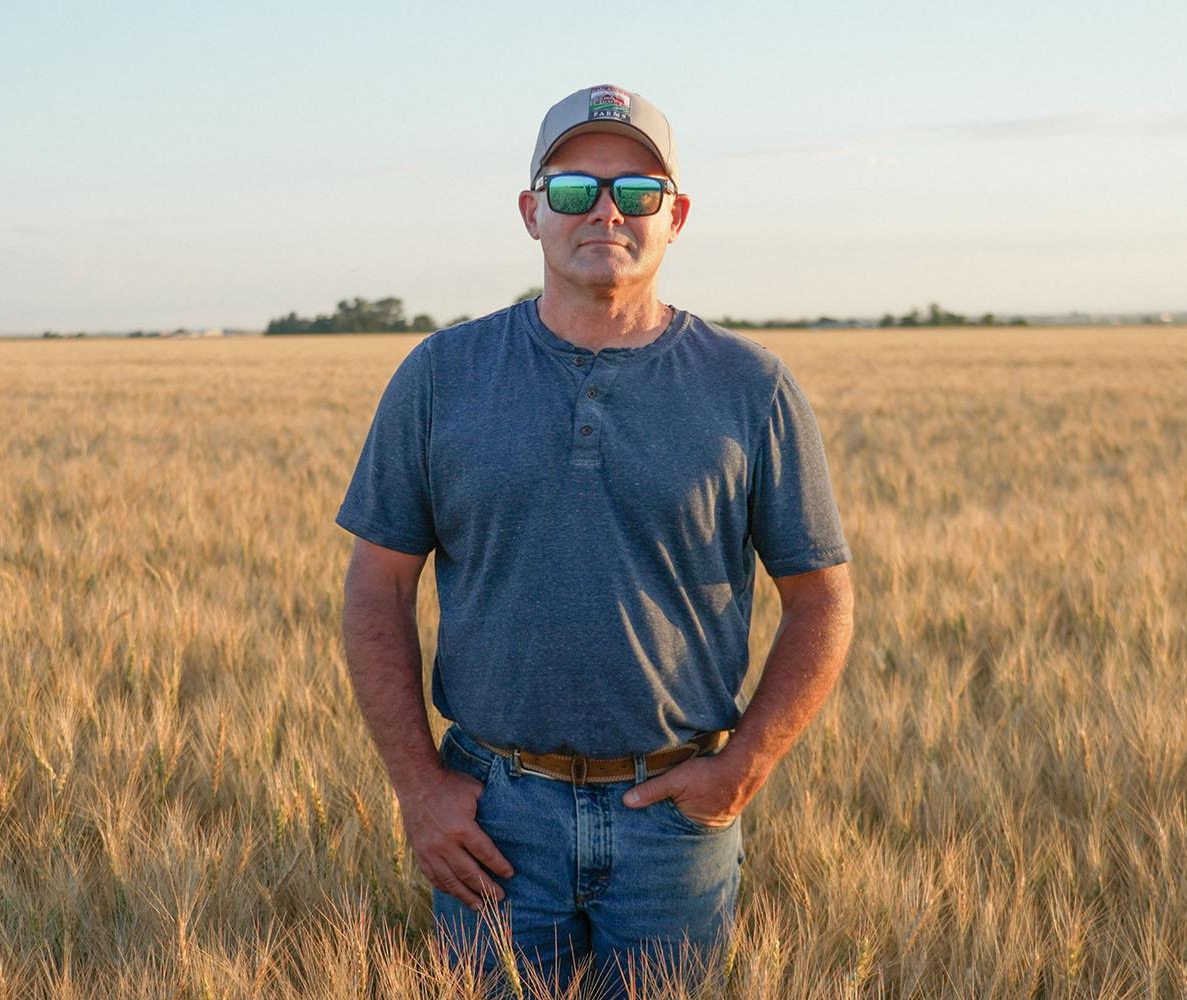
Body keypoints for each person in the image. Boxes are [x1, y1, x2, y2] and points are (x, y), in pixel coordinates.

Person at [336, 83, 854, 998]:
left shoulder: (750, 387)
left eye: (638, 193)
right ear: (532, 211)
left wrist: (742, 770)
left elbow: (822, 596)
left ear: (676, 216)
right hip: (491, 817)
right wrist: (419, 787)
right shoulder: (440, 376)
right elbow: (376, 586)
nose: (606, 211)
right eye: (575, 189)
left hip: (673, 823)